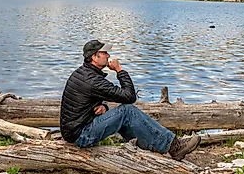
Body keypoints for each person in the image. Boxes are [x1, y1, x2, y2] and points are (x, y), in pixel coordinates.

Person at [59, 39, 200, 161]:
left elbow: (86, 102)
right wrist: (119, 70)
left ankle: (148, 147)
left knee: (124, 114)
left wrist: (105, 107)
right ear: (94, 57)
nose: (108, 56)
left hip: (75, 131)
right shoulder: (92, 80)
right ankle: (174, 147)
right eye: (104, 53)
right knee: (127, 111)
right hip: (81, 136)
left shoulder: (84, 73)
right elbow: (130, 97)